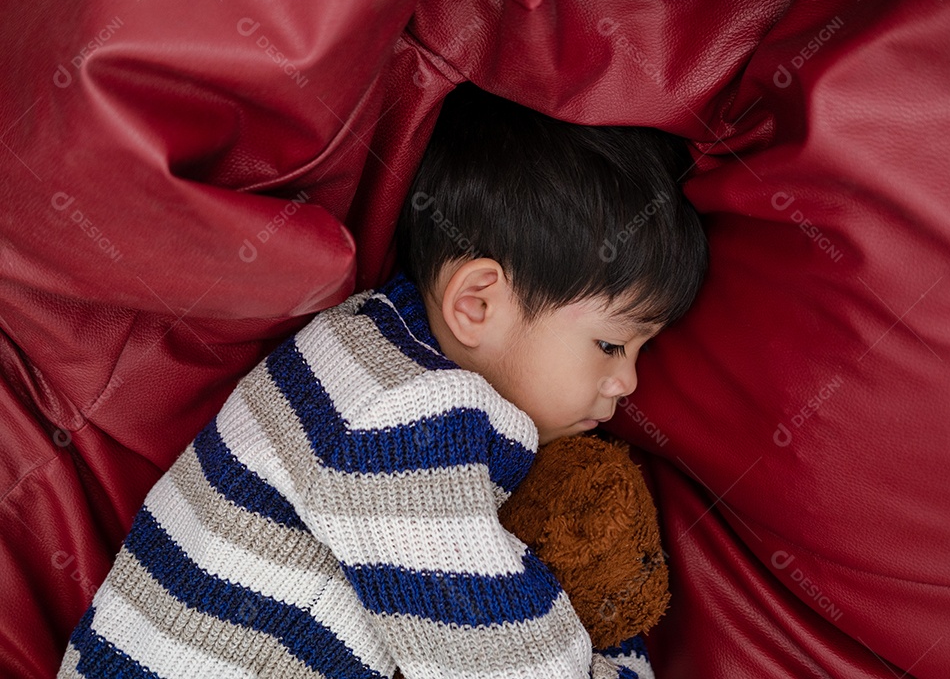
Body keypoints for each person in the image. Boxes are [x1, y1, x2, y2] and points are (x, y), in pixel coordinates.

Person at [57, 83, 710, 679]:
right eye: (610, 344)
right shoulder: (397, 404)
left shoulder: (403, 376)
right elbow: (489, 650)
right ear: (477, 304)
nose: (627, 382)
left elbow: (522, 594)